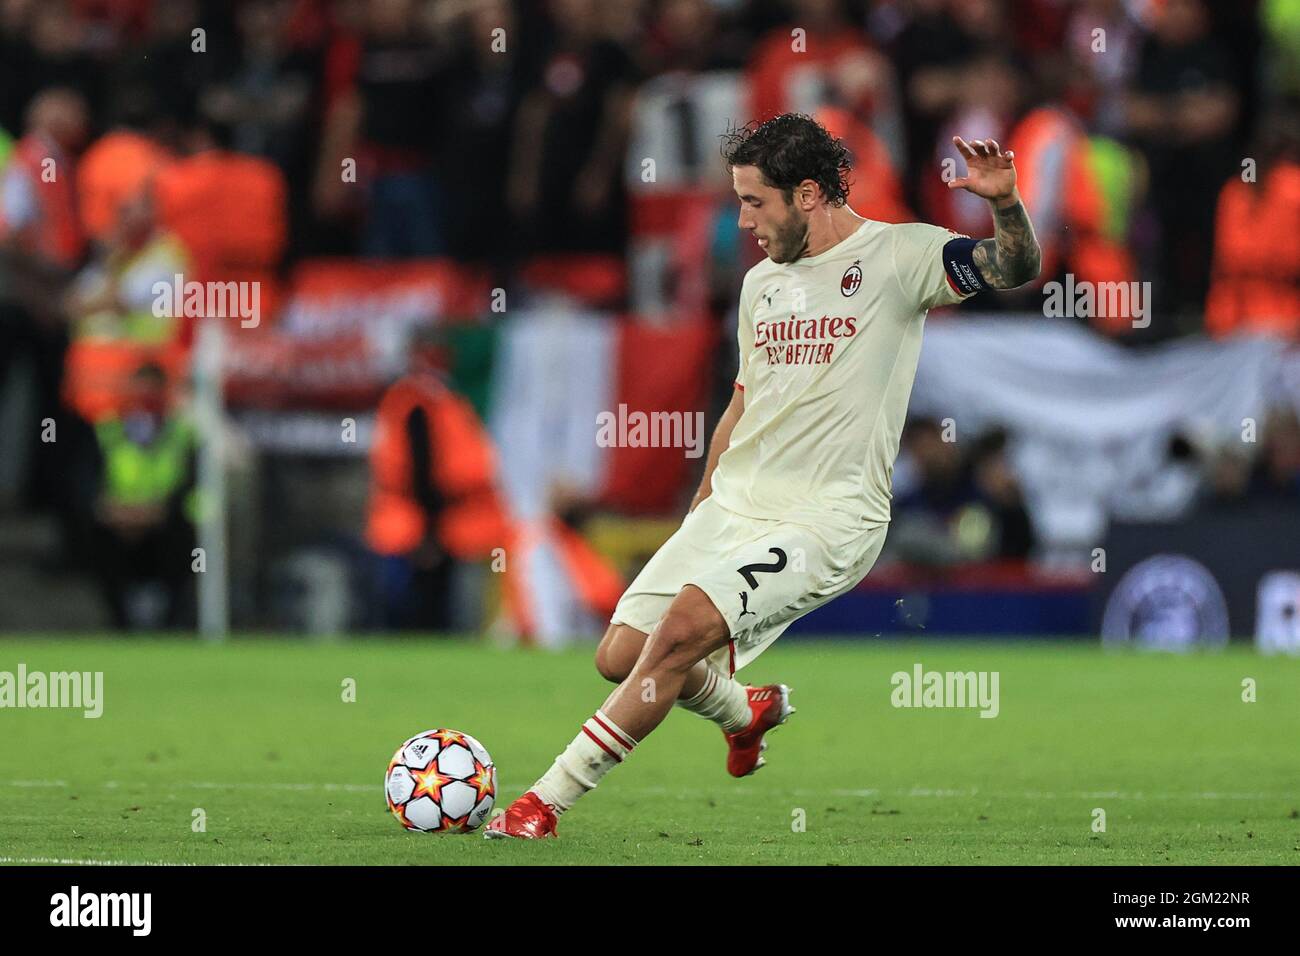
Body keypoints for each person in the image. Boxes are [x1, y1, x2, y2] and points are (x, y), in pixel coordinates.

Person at [486, 113, 1042, 839]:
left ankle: (542, 804)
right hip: (736, 503)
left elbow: (1014, 270)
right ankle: (742, 709)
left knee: (681, 632)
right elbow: (744, 403)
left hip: (826, 518)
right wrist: (703, 505)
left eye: (755, 203)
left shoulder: (900, 255)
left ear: (807, 194)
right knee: (620, 654)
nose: (744, 222)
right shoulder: (761, 287)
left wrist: (1003, 205)